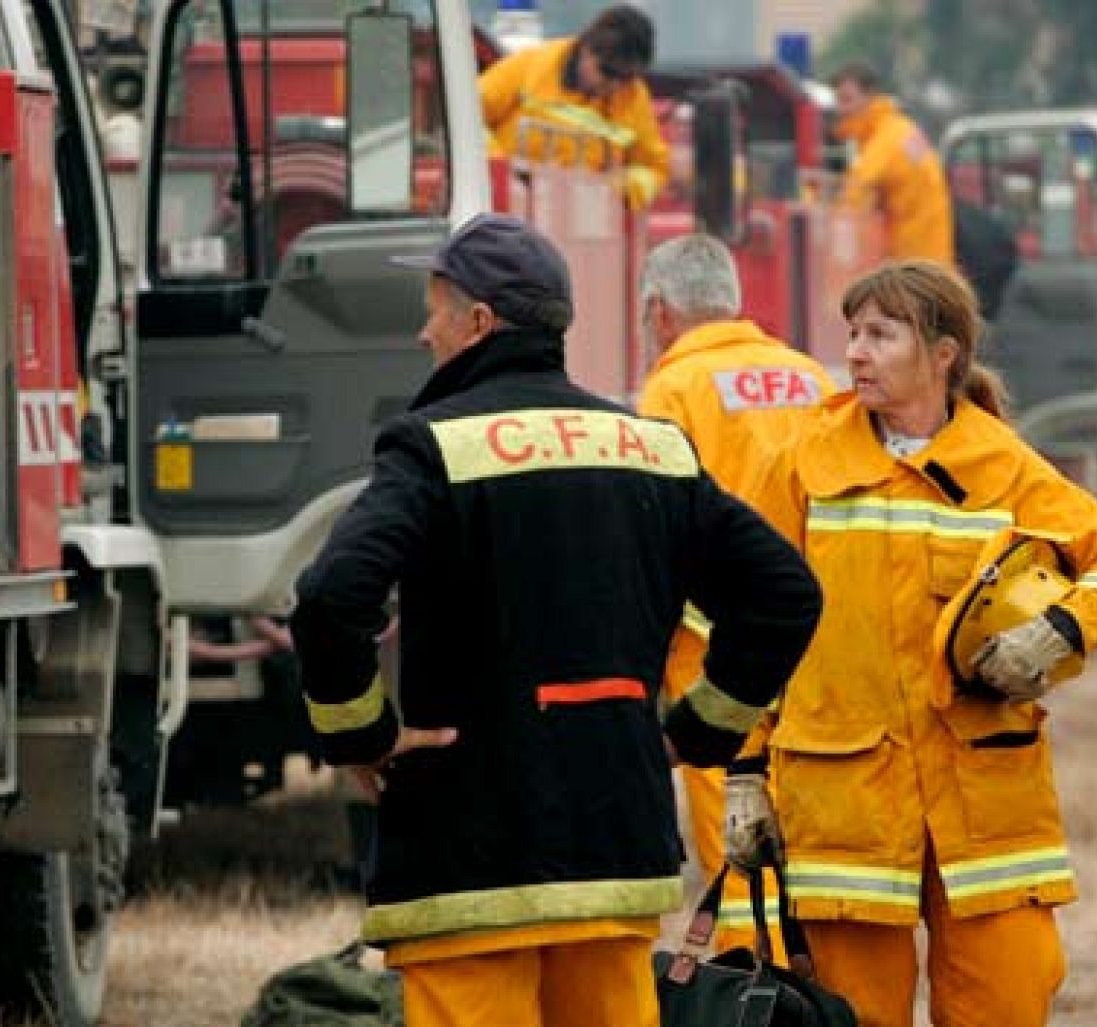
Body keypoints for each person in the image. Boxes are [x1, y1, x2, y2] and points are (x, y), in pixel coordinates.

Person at [291, 213, 823, 1026]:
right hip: (614, 849)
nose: (420, 328)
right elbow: (786, 592)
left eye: (433, 307)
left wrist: (361, 736)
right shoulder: (652, 445)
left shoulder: (430, 445)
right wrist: (695, 732)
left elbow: (331, 596)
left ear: (479, 322)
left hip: (466, 858)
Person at [736, 260, 1097, 1026]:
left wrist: (1060, 627)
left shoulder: (1005, 468)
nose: (856, 352)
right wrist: (742, 768)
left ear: (944, 353)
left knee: (1007, 998)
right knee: (850, 1013)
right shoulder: (804, 464)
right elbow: (748, 622)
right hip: (845, 806)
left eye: (880, 334)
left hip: (983, 811)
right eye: (852, 334)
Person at [635, 233, 834, 953]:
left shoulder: (670, 390)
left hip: (715, 647)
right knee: (807, 817)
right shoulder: (812, 375)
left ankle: (755, 982)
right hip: (815, 629)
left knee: (737, 832)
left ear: (659, 312)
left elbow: (658, 521)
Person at [478, 5, 669, 210]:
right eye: (608, 72)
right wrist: (499, 167)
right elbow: (466, 117)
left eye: (626, 77)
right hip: (508, 209)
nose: (615, 84)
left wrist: (622, 188)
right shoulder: (532, 67)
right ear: (587, 49)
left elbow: (653, 168)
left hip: (586, 222)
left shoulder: (634, 96)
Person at [831, 61, 953, 264]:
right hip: (933, 256)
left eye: (847, 100)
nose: (841, 109)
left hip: (911, 263)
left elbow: (853, 197)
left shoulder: (884, 142)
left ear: (870, 97)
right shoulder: (901, 129)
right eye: (838, 100)